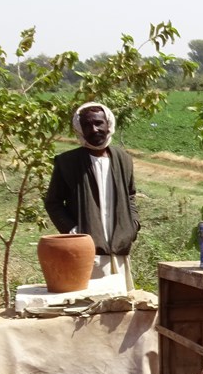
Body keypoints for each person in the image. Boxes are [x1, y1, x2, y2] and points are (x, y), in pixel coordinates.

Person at [44, 102, 140, 290]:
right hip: (86, 254)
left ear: (108, 124)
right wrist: (73, 231)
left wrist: (133, 225)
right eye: (87, 125)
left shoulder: (124, 159)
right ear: (79, 128)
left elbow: (130, 196)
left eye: (98, 123)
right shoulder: (67, 162)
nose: (94, 129)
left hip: (120, 249)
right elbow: (53, 202)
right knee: (89, 307)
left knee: (120, 307)